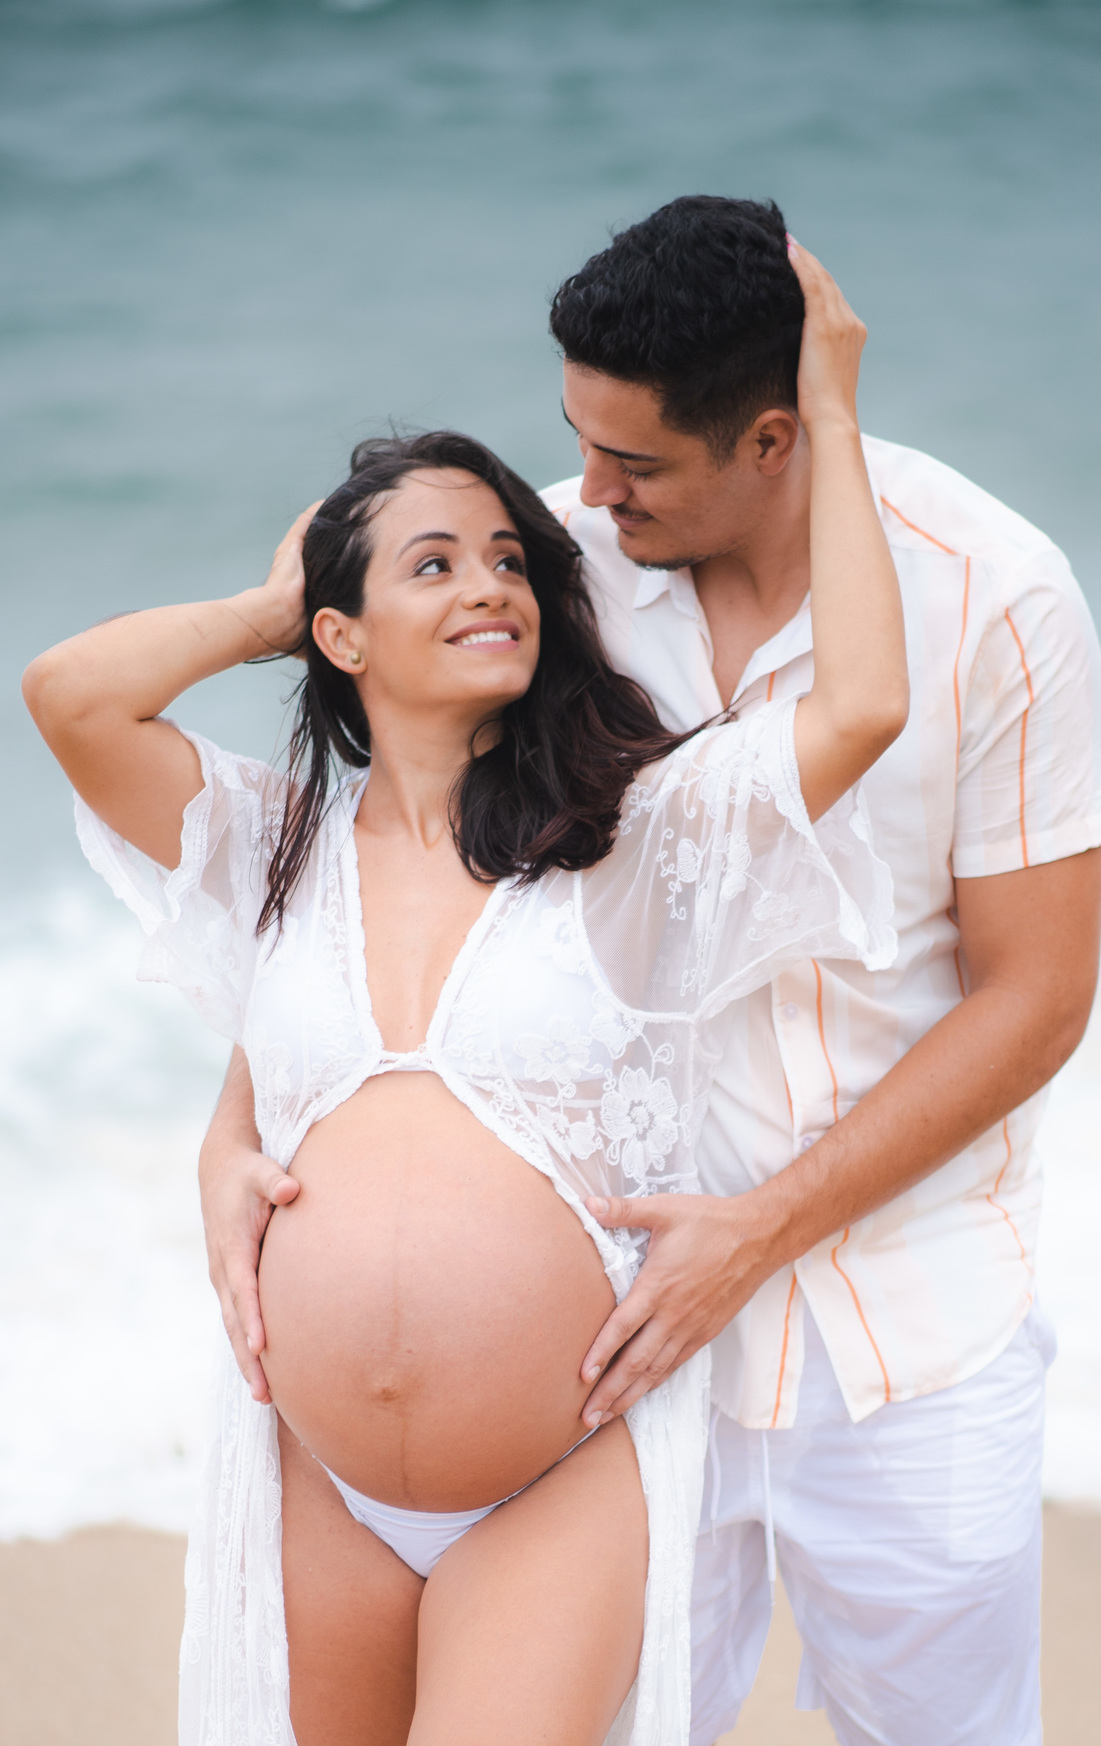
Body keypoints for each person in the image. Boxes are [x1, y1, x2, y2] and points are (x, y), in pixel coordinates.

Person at [200, 196, 1101, 1746]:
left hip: (902, 1322)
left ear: (774, 440)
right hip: (598, 1359)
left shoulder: (997, 594)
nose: (584, 488)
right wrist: (238, 1132)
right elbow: (405, 858)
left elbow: (1035, 996)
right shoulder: (552, 577)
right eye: (581, 439)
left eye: (633, 462)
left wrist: (758, 1232)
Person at [23, 242, 905, 1746]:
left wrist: (824, 415)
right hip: (318, 1479)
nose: (492, 582)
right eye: (433, 564)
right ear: (343, 632)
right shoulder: (267, 849)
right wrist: (271, 604)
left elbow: (867, 704)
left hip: (553, 1477)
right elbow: (69, 695)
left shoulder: (631, 843)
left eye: (508, 558)